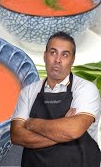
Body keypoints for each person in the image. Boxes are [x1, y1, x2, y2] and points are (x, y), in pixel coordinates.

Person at [10, 31, 101, 167]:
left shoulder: (85, 89)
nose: (58, 59)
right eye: (53, 52)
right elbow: (17, 135)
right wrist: (62, 130)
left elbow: (73, 130)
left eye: (65, 54)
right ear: (45, 56)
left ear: (72, 60)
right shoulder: (28, 92)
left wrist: (32, 123)